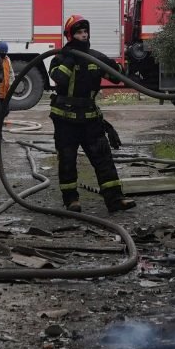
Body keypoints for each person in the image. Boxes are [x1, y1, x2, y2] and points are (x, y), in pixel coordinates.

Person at [48, 16, 132, 213]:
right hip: (65, 120)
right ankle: (71, 201)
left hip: (90, 119)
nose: (83, 35)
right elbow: (58, 78)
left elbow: (117, 75)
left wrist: (122, 65)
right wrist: (71, 58)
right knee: (67, 161)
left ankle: (115, 199)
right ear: (69, 36)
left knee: (103, 159)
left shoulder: (95, 57)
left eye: (85, 31)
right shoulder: (59, 58)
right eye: (78, 32)